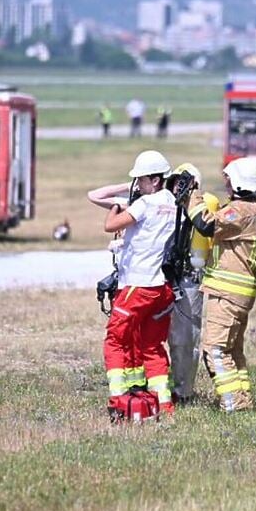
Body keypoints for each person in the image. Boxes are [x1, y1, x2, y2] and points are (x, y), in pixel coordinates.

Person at [98, 150, 177, 417]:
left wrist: (116, 206)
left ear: (155, 180)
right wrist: (129, 188)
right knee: (152, 346)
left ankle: (119, 399)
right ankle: (163, 403)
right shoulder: (171, 201)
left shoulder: (144, 204)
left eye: (141, 179)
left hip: (137, 283)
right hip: (161, 287)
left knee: (115, 340)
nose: (138, 185)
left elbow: (111, 226)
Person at [187, 157, 256, 412]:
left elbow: (206, 224)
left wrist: (192, 195)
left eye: (229, 181)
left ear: (240, 182)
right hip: (238, 293)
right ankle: (243, 399)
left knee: (215, 350)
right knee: (233, 351)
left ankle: (234, 403)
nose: (227, 186)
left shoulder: (242, 210)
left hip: (228, 293)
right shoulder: (251, 210)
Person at [164, 163, 219, 404]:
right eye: (175, 181)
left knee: (185, 339)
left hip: (189, 278)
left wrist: (191, 199)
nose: (178, 186)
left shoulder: (205, 203)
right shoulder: (163, 205)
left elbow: (205, 224)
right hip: (163, 277)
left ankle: (183, 391)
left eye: (183, 181)